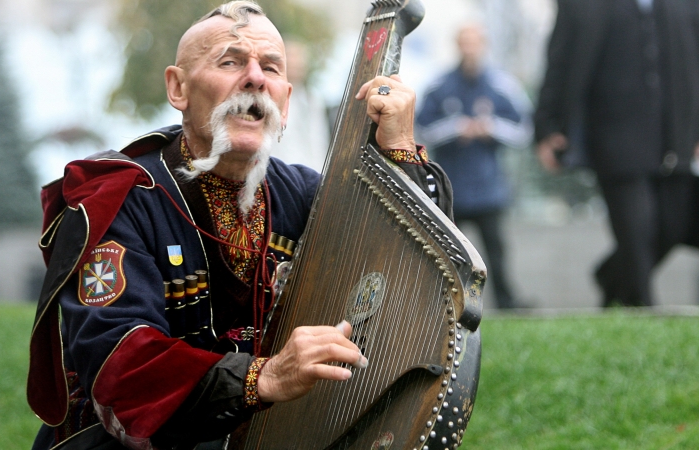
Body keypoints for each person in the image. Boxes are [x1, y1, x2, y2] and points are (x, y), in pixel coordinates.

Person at [26, 2, 452, 449]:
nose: (254, 78)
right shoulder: (120, 200)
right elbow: (119, 365)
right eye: (230, 62)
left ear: (285, 98)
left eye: (271, 67)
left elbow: (419, 266)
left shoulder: (303, 194)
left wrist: (400, 151)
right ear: (178, 88)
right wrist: (265, 377)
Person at [534, 0, 699, 307]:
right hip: (612, 136)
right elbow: (559, 61)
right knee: (636, 231)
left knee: (675, 225)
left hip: (673, 136)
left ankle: (611, 279)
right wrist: (547, 127)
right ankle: (644, 311)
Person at [416, 23, 532, 309]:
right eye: (464, 42)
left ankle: (506, 301)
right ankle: (446, 306)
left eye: (475, 42)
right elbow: (421, 129)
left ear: (483, 45)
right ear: (457, 46)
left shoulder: (501, 84)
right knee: (448, 253)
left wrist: (490, 128)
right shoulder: (440, 85)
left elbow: (523, 130)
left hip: (488, 186)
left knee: (496, 250)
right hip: (451, 190)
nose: (469, 48)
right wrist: (457, 128)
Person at [269, 38, 330, 172]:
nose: (296, 64)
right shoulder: (269, 98)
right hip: (278, 174)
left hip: (309, 175)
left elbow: (319, 141)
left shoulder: (312, 99)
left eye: (299, 60)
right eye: (292, 59)